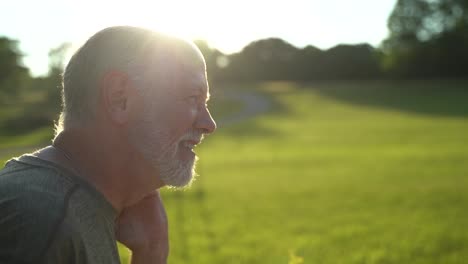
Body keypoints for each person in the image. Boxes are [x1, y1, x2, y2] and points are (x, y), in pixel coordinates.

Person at [0, 26, 216, 264]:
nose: (209, 124)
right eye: (192, 98)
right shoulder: (41, 224)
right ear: (119, 98)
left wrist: (151, 253)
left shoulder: (74, 207)